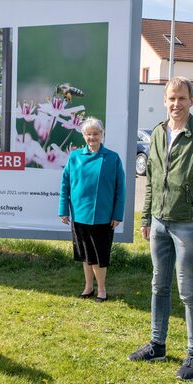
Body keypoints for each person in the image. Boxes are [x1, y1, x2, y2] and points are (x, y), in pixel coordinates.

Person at [128, 77, 193, 382]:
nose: (176, 104)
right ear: (165, 100)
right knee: (159, 286)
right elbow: (153, 181)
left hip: (188, 226)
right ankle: (157, 345)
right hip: (159, 223)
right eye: (171, 98)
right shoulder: (157, 132)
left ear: (192, 101)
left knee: (188, 291)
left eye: (182, 98)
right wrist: (146, 219)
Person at [59, 118, 125, 303]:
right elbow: (65, 184)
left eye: (96, 134)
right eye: (88, 134)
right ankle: (88, 287)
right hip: (79, 214)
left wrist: (117, 214)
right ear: (83, 136)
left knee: (99, 256)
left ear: (102, 135)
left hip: (103, 216)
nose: (92, 137)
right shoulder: (75, 157)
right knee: (86, 255)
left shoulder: (112, 158)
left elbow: (121, 189)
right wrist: (63, 210)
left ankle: (102, 290)